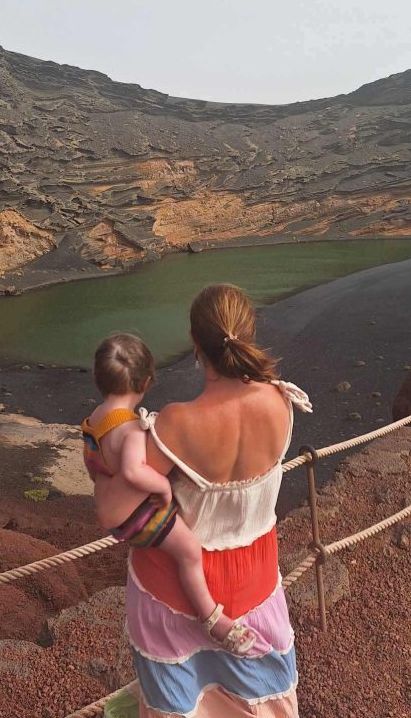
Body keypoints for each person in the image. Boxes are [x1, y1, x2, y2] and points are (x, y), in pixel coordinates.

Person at [121, 284, 312, 717]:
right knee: (261, 698)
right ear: (248, 332)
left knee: (179, 702)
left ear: (195, 344)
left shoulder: (177, 423)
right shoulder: (281, 403)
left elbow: (128, 503)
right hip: (255, 582)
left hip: (175, 594)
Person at [81, 333, 257, 654]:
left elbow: (93, 463)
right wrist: (162, 488)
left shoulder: (94, 420)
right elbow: (134, 471)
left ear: (97, 377)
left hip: (109, 513)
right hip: (137, 518)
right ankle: (212, 619)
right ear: (146, 382)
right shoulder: (132, 429)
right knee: (188, 551)